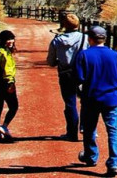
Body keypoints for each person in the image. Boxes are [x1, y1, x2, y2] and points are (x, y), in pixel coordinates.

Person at [74, 25, 117, 177]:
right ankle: (114, 162)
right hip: (111, 99)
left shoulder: (84, 55)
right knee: (113, 130)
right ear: (104, 38)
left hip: (91, 98)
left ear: (90, 39)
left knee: (89, 128)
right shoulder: (115, 55)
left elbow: (79, 77)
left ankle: (91, 156)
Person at [46, 12, 86, 141]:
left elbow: (51, 61)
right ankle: (86, 128)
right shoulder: (85, 38)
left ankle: (72, 133)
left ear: (64, 25)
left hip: (65, 74)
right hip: (83, 74)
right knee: (86, 101)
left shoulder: (57, 40)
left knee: (70, 104)